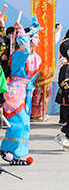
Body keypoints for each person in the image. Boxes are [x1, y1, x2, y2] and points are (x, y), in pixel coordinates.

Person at [1, 21, 41, 165]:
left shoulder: (36, 57)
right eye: (35, 36)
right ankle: (8, 149)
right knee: (19, 122)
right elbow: (24, 50)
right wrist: (21, 32)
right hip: (15, 91)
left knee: (25, 124)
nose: (38, 39)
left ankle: (17, 153)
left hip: (26, 91)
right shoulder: (19, 54)